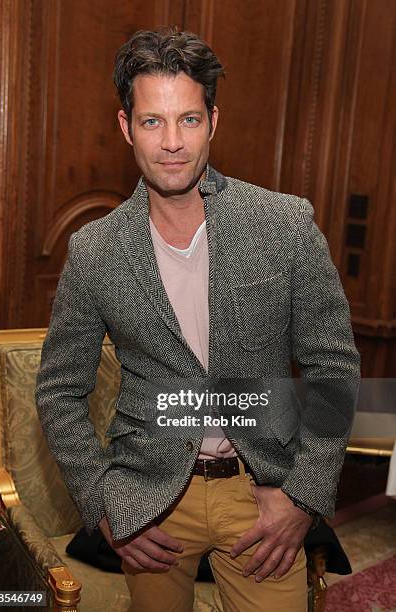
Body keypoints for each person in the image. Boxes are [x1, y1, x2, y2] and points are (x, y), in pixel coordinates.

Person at [35, 27, 360, 612]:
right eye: (153, 121)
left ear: (214, 121)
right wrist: (105, 504)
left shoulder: (283, 225)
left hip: (261, 491)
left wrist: (303, 496)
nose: (171, 143)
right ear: (125, 126)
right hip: (150, 499)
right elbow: (59, 390)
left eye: (188, 119)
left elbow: (332, 365)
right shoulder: (95, 249)